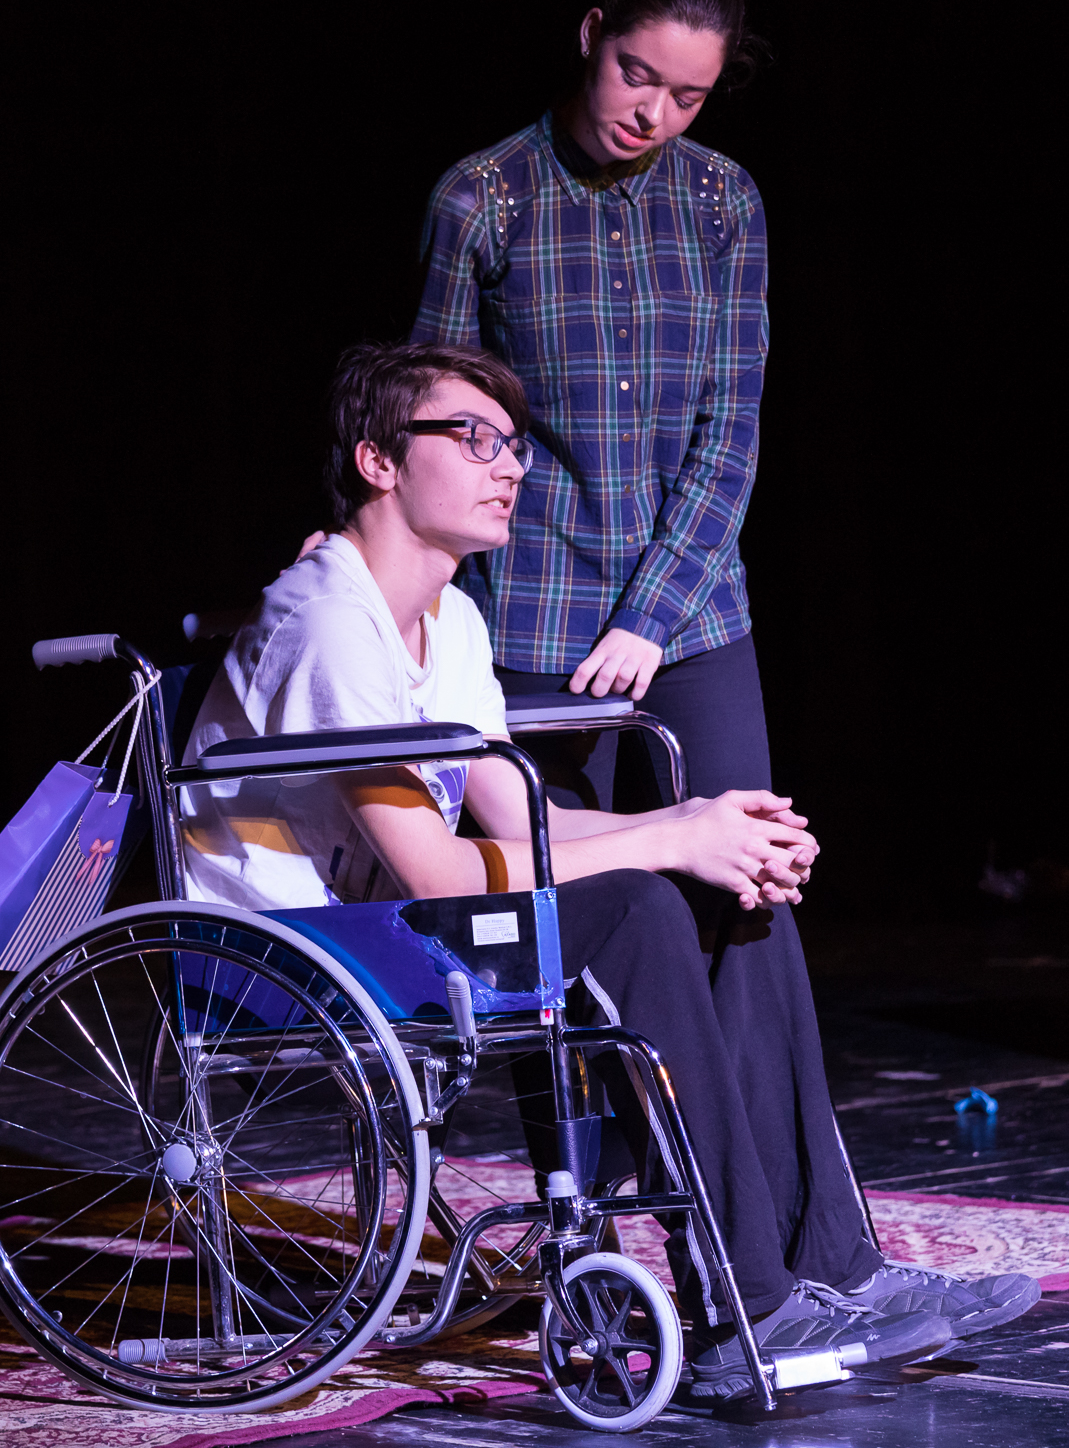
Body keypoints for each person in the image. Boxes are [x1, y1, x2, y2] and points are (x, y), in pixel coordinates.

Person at [183, 343, 1037, 1400]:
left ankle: (832, 1263)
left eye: (514, 445)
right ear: (378, 460)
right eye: (473, 438)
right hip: (285, 954)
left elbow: (527, 820)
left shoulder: (448, 615)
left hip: (381, 925)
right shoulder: (330, 619)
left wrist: (703, 826)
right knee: (634, 902)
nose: (510, 466)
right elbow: (436, 872)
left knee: (725, 891)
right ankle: (743, 1309)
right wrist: (663, 842)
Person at [409, 0, 774, 814]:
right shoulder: (484, 199)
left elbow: (728, 433)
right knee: (575, 883)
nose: (653, 114)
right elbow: (433, 424)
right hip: (534, 616)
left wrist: (651, 615)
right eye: (636, 74)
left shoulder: (723, 203)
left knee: (744, 869)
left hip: (694, 614)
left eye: (687, 97)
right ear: (591, 35)